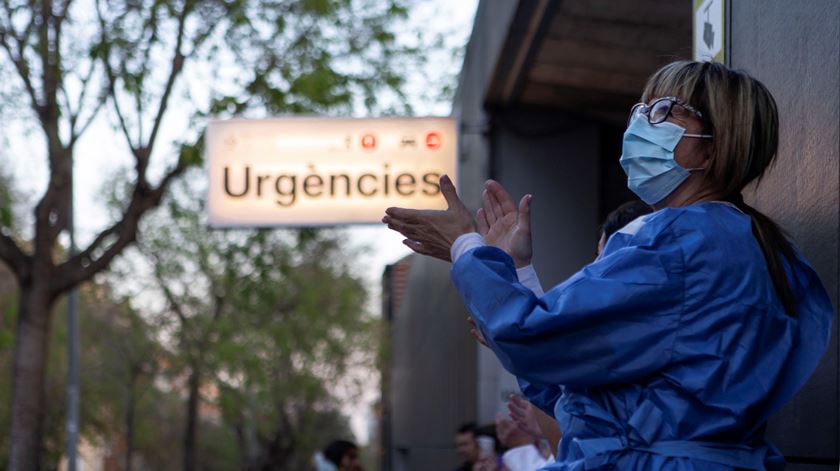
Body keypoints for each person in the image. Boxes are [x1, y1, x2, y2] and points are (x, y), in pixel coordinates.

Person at [382, 60, 834, 470]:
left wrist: (467, 248)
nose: (640, 122)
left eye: (663, 111)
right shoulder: (749, 243)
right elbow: (579, 373)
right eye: (640, 108)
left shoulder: (680, 240)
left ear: (716, 147)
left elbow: (534, 338)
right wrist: (515, 270)